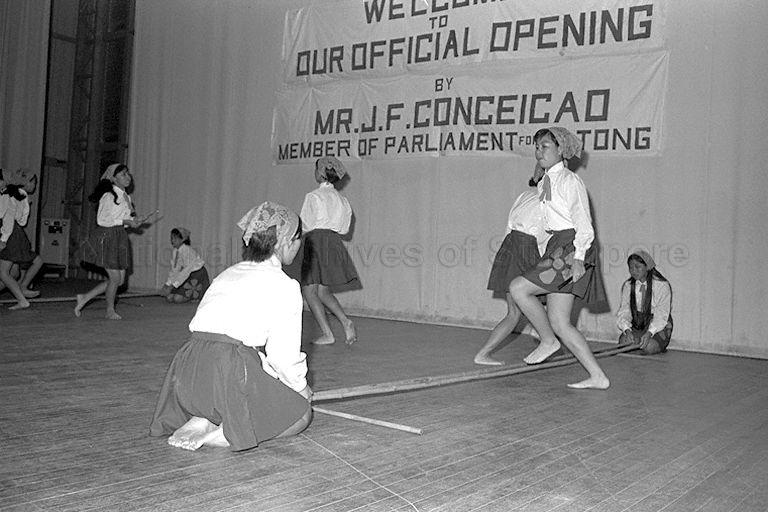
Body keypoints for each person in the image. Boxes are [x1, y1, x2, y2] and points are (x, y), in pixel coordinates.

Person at [150, 201, 312, 451]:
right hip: (226, 368)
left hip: (187, 372)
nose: (300, 245)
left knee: (253, 376)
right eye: (299, 238)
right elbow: (283, 357)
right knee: (301, 416)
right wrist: (301, 389)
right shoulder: (285, 285)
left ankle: (206, 414)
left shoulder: (227, 273)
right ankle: (225, 433)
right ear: (284, 241)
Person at [509, 127, 610, 389]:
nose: (538, 151)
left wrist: (578, 258)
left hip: (571, 245)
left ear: (561, 150)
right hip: (557, 246)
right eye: (536, 147)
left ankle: (548, 341)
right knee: (560, 322)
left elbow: (583, 224)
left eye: (544, 147)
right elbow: (546, 223)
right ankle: (597, 376)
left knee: (518, 288)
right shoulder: (545, 182)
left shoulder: (569, 181)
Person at [474, 189, 550, 365]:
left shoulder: (541, 196)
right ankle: (540, 329)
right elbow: (541, 232)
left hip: (515, 247)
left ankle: (484, 353)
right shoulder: (531, 195)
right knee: (520, 308)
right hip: (520, 249)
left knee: (516, 310)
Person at [300, 156, 359, 345]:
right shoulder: (342, 200)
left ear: (320, 173)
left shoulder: (314, 196)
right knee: (323, 291)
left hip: (314, 242)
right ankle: (345, 321)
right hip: (333, 242)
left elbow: (305, 224)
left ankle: (328, 333)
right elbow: (344, 229)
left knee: (309, 291)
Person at [75, 163, 144, 319]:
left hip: (119, 237)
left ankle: (85, 297)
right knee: (114, 278)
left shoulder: (126, 196)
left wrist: (134, 220)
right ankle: (109, 310)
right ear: (113, 178)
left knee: (119, 281)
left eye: (128, 173)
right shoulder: (109, 195)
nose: (128, 177)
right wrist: (126, 222)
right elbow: (102, 220)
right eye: (123, 175)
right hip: (107, 237)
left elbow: (123, 218)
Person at [0, 168, 44, 309]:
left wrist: (3, 240)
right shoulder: (18, 195)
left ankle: (22, 299)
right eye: (34, 183)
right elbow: (20, 220)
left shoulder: (10, 194)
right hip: (15, 233)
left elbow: (7, 219)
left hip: (10, 234)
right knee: (12, 272)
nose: (35, 186)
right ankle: (22, 289)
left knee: (4, 272)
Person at [617, 250, 673, 354]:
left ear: (647, 267)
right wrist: (627, 330)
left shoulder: (661, 285)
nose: (633, 271)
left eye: (637, 267)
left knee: (649, 347)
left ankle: (655, 343)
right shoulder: (628, 285)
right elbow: (625, 310)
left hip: (657, 323)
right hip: (638, 322)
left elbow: (661, 314)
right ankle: (638, 341)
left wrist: (649, 333)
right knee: (623, 343)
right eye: (631, 268)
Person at [160, 227, 209, 303]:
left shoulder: (187, 251)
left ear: (182, 239)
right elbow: (175, 270)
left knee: (177, 299)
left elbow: (186, 271)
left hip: (197, 274)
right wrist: (167, 284)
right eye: (171, 238)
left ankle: (194, 297)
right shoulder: (176, 251)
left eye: (175, 238)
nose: (172, 241)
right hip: (186, 275)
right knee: (169, 297)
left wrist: (173, 286)